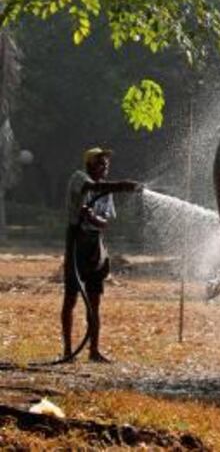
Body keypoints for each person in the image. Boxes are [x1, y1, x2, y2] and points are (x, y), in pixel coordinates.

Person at [61, 147, 141, 362]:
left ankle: (94, 350)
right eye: (100, 163)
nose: (105, 167)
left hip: (96, 246)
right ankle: (68, 351)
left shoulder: (107, 192)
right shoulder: (79, 178)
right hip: (77, 242)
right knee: (71, 299)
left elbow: (105, 221)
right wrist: (121, 185)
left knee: (95, 300)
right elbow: (90, 187)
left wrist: (95, 218)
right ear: (89, 165)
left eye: (106, 164)